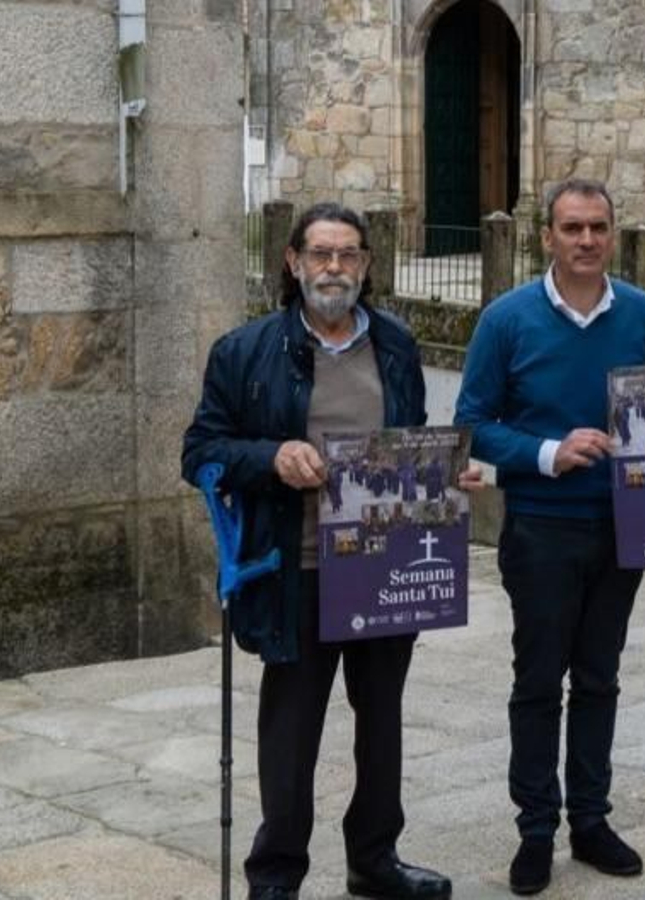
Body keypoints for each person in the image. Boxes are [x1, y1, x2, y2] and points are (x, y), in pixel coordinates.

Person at [183, 202, 478, 900]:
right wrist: (271, 454)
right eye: (321, 254)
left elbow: (408, 441)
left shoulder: (398, 346)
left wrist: (439, 476)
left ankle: (374, 859)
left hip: (385, 562)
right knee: (292, 730)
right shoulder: (244, 351)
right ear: (293, 262)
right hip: (298, 565)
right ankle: (277, 872)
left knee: (382, 722)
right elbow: (199, 452)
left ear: (367, 265)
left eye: (348, 254)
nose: (335, 268)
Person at [454, 178, 645, 896]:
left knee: (600, 677)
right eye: (571, 228)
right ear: (545, 236)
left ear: (612, 234)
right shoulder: (507, 319)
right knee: (539, 679)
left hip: (621, 527)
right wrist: (548, 452)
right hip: (542, 527)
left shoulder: (641, 314)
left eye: (597, 228)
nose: (584, 241)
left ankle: (592, 820)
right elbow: (473, 422)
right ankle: (536, 829)